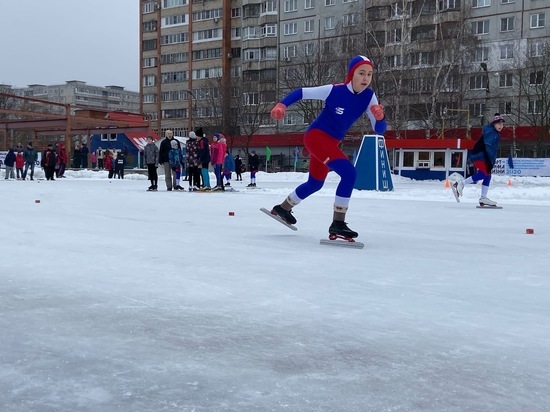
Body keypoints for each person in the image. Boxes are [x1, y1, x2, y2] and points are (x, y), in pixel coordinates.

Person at [269, 55, 387, 239]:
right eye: (361, 73)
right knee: (349, 173)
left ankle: (282, 208)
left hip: (330, 143)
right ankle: (338, 223)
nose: (365, 78)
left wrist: (380, 118)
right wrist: (281, 105)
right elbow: (302, 92)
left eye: (369, 74)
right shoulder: (334, 90)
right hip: (316, 137)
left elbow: (378, 130)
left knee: (315, 183)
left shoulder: (369, 97)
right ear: (351, 74)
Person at [453, 113, 505, 207]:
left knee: (488, 176)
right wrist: (490, 163)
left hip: (484, 156)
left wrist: (491, 163)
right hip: (480, 155)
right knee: (482, 174)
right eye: (498, 124)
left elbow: (492, 150)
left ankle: (483, 198)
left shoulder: (495, 133)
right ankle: (460, 184)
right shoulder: (491, 132)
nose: (501, 126)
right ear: (494, 124)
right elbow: (488, 148)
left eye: (502, 124)